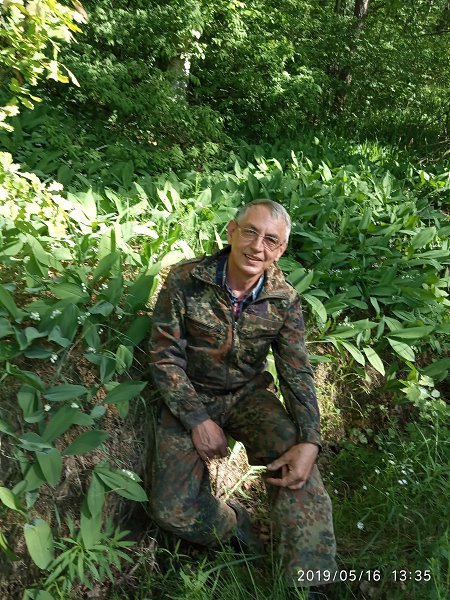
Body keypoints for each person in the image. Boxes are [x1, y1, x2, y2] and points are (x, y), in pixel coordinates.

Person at [149, 199, 337, 597]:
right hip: (193, 394)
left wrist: (310, 439)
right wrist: (197, 419)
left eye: (271, 240)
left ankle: (309, 582)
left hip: (248, 397)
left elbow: (296, 372)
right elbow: (165, 356)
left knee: (296, 462)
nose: (257, 246)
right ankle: (237, 526)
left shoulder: (283, 298)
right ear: (232, 231)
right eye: (250, 232)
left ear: (281, 249)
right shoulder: (186, 280)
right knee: (173, 510)